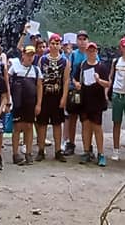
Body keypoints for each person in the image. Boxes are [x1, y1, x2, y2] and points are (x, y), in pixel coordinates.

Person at [74, 41, 111, 166]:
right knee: (85, 126)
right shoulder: (82, 65)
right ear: (86, 52)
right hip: (84, 100)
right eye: (89, 50)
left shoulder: (102, 67)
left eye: (93, 50)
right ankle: (86, 151)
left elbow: (108, 84)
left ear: (97, 52)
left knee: (97, 127)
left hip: (97, 101)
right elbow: (75, 78)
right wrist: (77, 84)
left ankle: (101, 153)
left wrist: (98, 80)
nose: (91, 53)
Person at [35, 34, 69, 162]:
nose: (54, 46)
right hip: (44, 95)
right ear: (49, 45)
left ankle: (58, 150)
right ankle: (41, 150)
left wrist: (64, 97)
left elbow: (66, 80)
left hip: (57, 95)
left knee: (57, 124)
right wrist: (38, 101)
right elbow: (39, 80)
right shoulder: (42, 60)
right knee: (42, 123)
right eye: (52, 44)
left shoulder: (65, 61)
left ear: (60, 45)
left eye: (57, 44)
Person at [8, 45, 42, 165]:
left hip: (30, 103)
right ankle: (15, 154)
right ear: (23, 55)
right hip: (18, 102)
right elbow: (7, 83)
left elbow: (39, 87)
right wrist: (8, 99)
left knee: (29, 126)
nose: (30, 57)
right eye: (28, 55)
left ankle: (28, 152)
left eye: (32, 55)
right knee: (17, 127)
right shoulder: (14, 68)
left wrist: (39, 104)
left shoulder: (36, 70)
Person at [63, 30, 90, 156]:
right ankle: (71, 144)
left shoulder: (92, 53)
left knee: (86, 120)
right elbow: (69, 72)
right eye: (80, 39)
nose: (82, 42)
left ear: (88, 41)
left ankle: (87, 146)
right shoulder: (73, 55)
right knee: (72, 118)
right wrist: (75, 82)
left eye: (84, 39)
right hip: (74, 90)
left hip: (87, 91)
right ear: (76, 41)